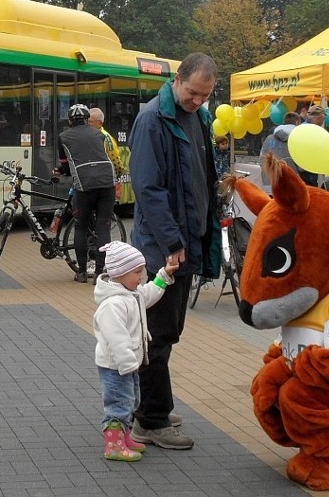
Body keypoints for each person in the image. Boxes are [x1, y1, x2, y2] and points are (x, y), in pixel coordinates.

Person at [126, 52, 220, 450]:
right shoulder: (152, 119)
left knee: (167, 332)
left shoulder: (198, 118)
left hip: (185, 243)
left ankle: (151, 405)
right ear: (177, 79)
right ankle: (151, 419)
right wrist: (172, 243)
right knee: (157, 335)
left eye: (205, 96)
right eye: (193, 93)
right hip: (162, 250)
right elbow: (148, 189)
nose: (197, 101)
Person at [93, 241, 178, 461]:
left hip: (129, 365)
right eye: (137, 272)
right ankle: (113, 444)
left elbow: (148, 294)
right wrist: (128, 364)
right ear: (120, 274)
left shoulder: (132, 294)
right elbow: (117, 339)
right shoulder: (112, 305)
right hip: (117, 367)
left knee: (131, 401)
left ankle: (124, 437)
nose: (141, 277)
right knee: (119, 404)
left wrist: (163, 276)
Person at [54, 104, 117, 283]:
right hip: (107, 182)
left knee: (80, 226)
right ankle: (98, 272)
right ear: (87, 119)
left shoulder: (63, 137)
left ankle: (81, 272)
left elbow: (65, 165)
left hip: (84, 185)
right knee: (103, 227)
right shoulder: (99, 134)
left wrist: (61, 171)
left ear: (70, 120)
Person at [259, 111, 301, 190]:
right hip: (290, 184)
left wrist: (268, 172)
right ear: (297, 122)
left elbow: (262, 159)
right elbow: (301, 163)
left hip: (269, 183)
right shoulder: (298, 139)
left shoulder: (269, 138)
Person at [88, 107, 124, 177]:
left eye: (91, 122)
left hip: (103, 180)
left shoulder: (107, 138)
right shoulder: (85, 135)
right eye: (87, 121)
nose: (88, 124)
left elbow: (116, 163)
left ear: (100, 123)